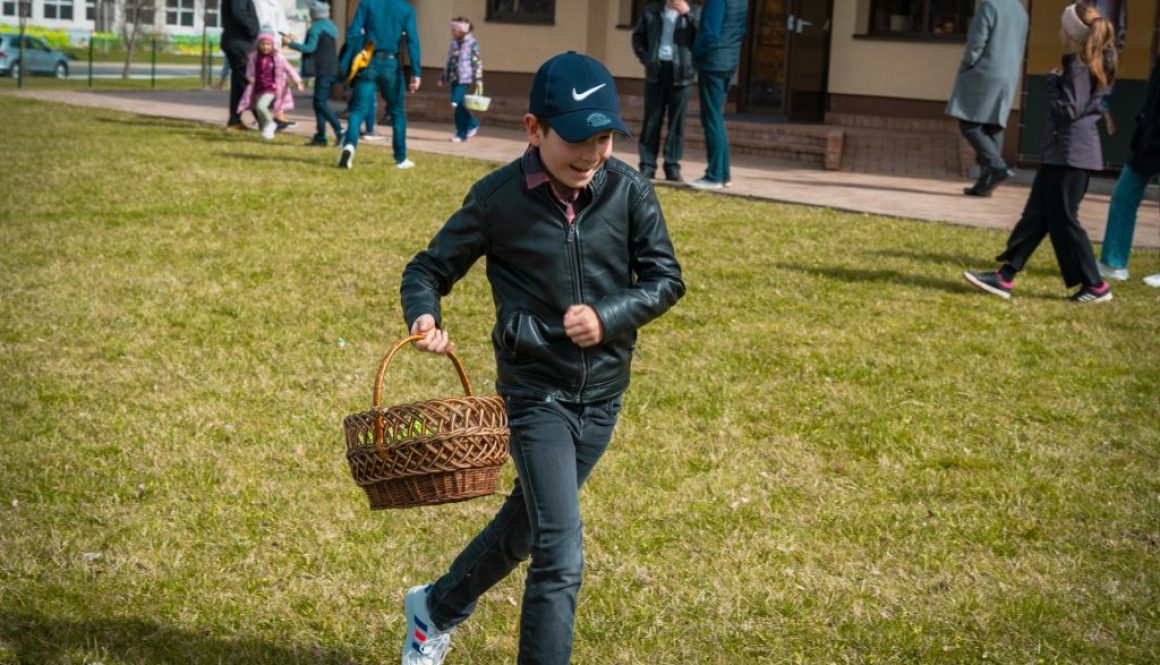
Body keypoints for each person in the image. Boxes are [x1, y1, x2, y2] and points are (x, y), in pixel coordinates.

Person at [397, 51, 685, 665]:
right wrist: (426, 316)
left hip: (603, 396)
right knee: (560, 552)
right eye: (578, 139)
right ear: (535, 130)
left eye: (604, 137)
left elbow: (665, 279)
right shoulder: (498, 199)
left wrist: (609, 316)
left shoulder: (630, 190)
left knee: (526, 528)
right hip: (536, 397)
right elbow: (428, 269)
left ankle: (434, 609)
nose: (592, 154)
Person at [964, 3, 1119, 303]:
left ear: (1072, 30)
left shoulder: (1078, 66)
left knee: (1064, 219)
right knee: (1037, 214)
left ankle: (1096, 286)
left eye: (1064, 24)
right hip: (1063, 154)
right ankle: (1004, 277)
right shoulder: (1089, 62)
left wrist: (1051, 84)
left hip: (1070, 155)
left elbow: (1069, 111)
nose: (1059, 29)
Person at [945, 0, 1029, 197]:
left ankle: (996, 166)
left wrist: (968, 62)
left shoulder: (989, 5)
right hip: (1008, 74)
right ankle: (985, 184)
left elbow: (977, 41)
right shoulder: (1020, 10)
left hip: (985, 70)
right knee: (993, 124)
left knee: (968, 121)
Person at [336, 0, 422, 171]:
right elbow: (412, 40)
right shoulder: (406, 8)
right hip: (391, 63)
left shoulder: (367, 4)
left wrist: (358, 49)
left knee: (358, 109)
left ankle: (350, 145)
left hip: (368, 60)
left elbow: (353, 32)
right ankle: (401, 158)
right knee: (397, 112)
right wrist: (416, 72)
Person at [1097, 55, 1160, 285]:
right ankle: (1113, 263)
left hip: (1151, 138)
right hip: (1147, 141)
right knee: (1123, 196)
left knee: (1124, 197)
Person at [632, 0, 700, 183]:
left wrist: (689, 15)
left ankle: (672, 166)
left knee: (676, 123)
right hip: (657, 70)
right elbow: (638, 38)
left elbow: (702, 38)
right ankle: (647, 164)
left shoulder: (694, 11)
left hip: (682, 72)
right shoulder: (651, 11)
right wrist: (647, 59)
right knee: (652, 120)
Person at [688, 0, 748, 190]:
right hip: (728, 62)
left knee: (712, 120)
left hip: (713, 63)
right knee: (717, 119)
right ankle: (723, 174)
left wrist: (694, 54)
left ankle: (714, 175)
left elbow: (709, 34)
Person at [287, 0, 342, 147]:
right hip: (331, 69)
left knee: (319, 103)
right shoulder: (331, 27)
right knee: (319, 103)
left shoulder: (315, 28)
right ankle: (320, 137)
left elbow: (309, 48)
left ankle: (339, 130)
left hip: (322, 70)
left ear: (313, 15)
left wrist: (290, 44)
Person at [236, 32, 304, 140]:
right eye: (262, 44)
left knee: (261, 106)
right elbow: (249, 70)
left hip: (272, 87)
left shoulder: (277, 57)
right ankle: (267, 130)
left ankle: (270, 124)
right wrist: (250, 77)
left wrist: (297, 81)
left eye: (268, 44)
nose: (265, 47)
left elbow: (289, 69)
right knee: (259, 109)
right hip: (259, 88)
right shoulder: (254, 57)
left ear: (272, 45)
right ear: (258, 45)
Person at [437, 17, 483, 143]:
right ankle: (471, 125)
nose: (452, 31)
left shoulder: (472, 43)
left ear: (462, 30)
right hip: (453, 78)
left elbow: (476, 62)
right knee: (459, 107)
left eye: (455, 29)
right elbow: (449, 61)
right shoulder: (453, 43)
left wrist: (478, 78)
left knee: (455, 103)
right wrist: (443, 77)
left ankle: (462, 133)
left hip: (465, 78)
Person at [221, 0, 260, 130]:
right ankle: (264, 120)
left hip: (237, 40)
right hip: (240, 41)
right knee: (247, 80)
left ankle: (234, 120)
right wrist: (253, 30)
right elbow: (239, 13)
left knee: (239, 82)